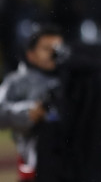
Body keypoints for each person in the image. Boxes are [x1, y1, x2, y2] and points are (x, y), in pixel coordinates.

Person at [0, 24, 63, 181]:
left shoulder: (74, 80)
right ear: (31, 55)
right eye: (46, 49)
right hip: (36, 164)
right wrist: (29, 111)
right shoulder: (18, 81)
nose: (54, 54)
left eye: (58, 48)